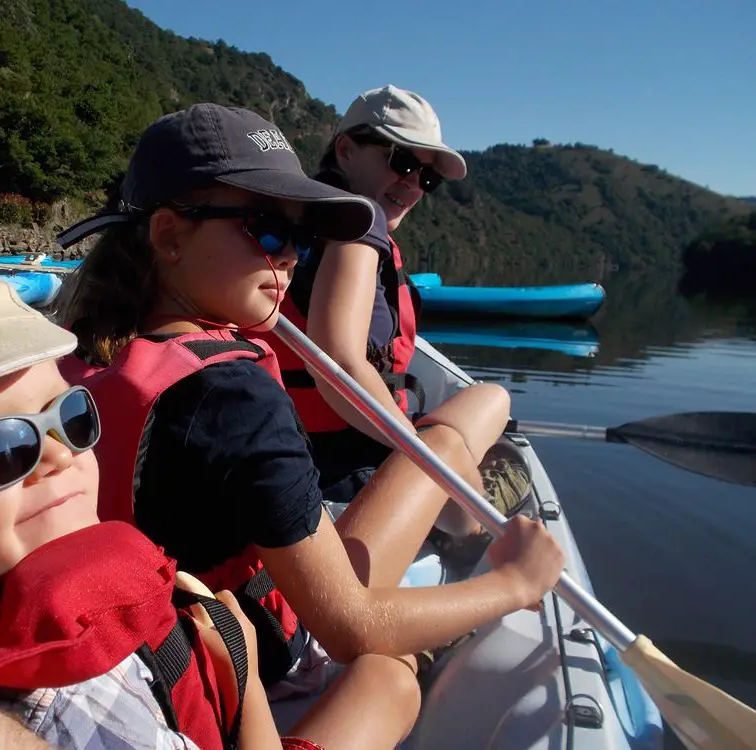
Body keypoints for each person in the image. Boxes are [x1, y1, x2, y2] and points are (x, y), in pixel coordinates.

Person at [0, 253, 419, 750]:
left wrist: (235, 663)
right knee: (391, 678)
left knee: (388, 677)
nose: (60, 454)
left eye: (71, 415)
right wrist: (245, 691)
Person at [56, 103, 565, 702]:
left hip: (156, 641)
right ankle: (449, 561)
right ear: (169, 235)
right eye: (268, 230)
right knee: (390, 682)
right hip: (247, 650)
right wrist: (515, 583)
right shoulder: (234, 397)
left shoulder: (78, 351)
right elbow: (351, 629)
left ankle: (453, 518)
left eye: (300, 235)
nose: (292, 256)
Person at [261, 84, 530, 532]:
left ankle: (462, 479)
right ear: (345, 151)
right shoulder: (357, 222)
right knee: (486, 437)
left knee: (492, 400)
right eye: (402, 162)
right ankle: (476, 504)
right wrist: (419, 448)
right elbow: (340, 366)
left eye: (427, 178)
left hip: (299, 445)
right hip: (345, 466)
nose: (413, 184)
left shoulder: (305, 217)